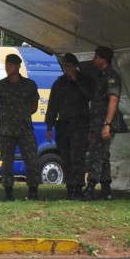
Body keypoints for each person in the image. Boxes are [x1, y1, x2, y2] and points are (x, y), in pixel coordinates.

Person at [0, 53, 41, 201]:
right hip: (6, 130)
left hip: (25, 129)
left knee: (31, 160)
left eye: (11, 64)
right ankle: (8, 192)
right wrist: (5, 117)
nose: (8, 67)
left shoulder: (29, 85)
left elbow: (34, 107)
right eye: (6, 64)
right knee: (7, 162)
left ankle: (33, 191)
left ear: (18, 66)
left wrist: (21, 116)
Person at [45, 53, 92, 200]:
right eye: (65, 66)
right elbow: (53, 106)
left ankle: (77, 188)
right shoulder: (59, 83)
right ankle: (70, 187)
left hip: (80, 125)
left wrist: (76, 81)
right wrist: (49, 127)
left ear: (75, 66)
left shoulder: (85, 81)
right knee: (66, 158)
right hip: (64, 126)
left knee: (77, 157)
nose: (67, 69)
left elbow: (90, 96)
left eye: (69, 65)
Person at [84, 46, 122, 201]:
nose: (94, 60)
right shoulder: (101, 77)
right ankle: (106, 190)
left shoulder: (111, 77)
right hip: (98, 124)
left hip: (105, 124)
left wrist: (107, 123)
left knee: (96, 154)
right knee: (103, 156)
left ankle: (90, 187)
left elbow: (113, 99)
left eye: (96, 57)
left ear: (103, 59)